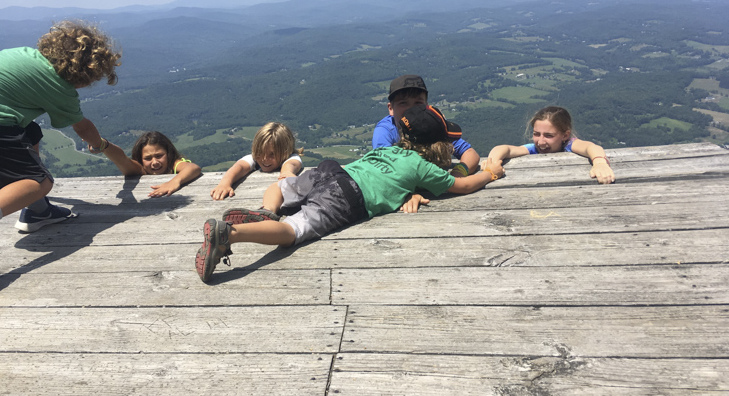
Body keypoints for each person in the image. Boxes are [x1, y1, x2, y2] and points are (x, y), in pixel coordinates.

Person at [197, 104, 504, 283]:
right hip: (347, 197)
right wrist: (490, 173)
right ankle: (231, 234)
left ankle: (267, 211)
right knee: (293, 230)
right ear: (439, 146)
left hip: (331, 171)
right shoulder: (423, 167)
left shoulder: (388, 150)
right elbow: (462, 185)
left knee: (279, 186)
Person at [0, 19, 121, 281]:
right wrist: (98, 144)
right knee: (37, 180)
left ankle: (37, 211)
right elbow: (82, 127)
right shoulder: (61, 89)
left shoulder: (25, 54)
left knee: (30, 133)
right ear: (86, 75)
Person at [372, 74, 480, 174]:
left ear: (426, 106)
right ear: (391, 108)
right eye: (403, 103)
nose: (411, 108)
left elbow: (470, 153)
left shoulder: (431, 125)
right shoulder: (385, 131)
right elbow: (385, 167)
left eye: (418, 103)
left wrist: (459, 173)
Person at [485, 105, 615, 184]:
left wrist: (600, 163)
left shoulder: (569, 145)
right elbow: (504, 149)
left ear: (565, 135)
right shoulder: (533, 149)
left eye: (549, 136)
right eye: (536, 134)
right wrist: (493, 162)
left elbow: (591, 147)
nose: (541, 141)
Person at [90, 130, 201, 197]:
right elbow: (122, 160)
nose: (155, 162)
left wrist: (174, 182)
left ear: (168, 153)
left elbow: (193, 167)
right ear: (141, 160)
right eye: (148, 158)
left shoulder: (173, 165)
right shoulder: (141, 169)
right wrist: (103, 145)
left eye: (159, 156)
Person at [210, 122, 303, 201]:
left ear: (286, 151)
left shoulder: (291, 157)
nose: (264, 159)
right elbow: (240, 166)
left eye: (272, 154)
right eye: (260, 152)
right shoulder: (254, 157)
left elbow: (291, 164)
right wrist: (225, 183)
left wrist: (287, 172)